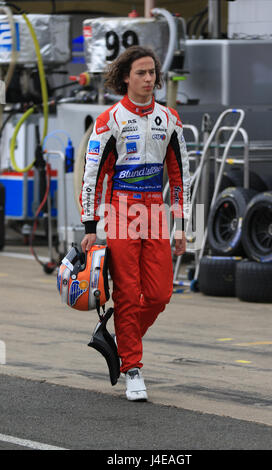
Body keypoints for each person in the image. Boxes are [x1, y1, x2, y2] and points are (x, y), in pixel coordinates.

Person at [80, 45, 190, 401]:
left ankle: (117, 340)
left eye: (152, 73)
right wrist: (90, 224)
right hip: (120, 211)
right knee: (127, 293)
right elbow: (92, 174)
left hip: (156, 212)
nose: (148, 79)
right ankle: (132, 368)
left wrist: (181, 223)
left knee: (159, 293)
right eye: (141, 73)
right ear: (125, 77)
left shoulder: (170, 119)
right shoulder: (109, 120)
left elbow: (180, 174)